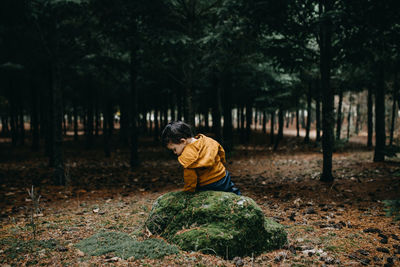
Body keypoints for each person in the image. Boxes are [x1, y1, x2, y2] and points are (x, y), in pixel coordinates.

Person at [161, 121, 241, 195]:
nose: (175, 153)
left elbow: (191, 178)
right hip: (223, 176)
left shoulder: (186, 156)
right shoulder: (208, 140)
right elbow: (221, 153)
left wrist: (188, 191)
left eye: (174, 149)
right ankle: (240, 199)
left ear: (183, 141)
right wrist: (222, 164)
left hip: (207, 184)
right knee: (232, 190)